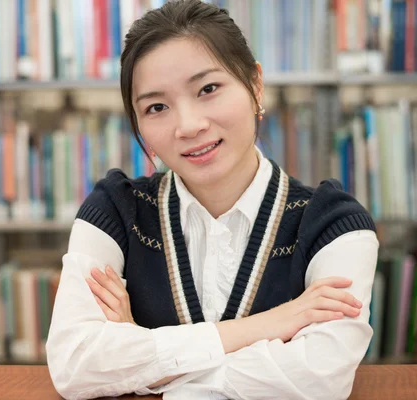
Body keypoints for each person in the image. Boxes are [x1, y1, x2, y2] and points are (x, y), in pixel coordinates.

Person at [46, 1, 379, 399]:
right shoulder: (115, 210)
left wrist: (141, 357)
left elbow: (321, 380)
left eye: (208, 89)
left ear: (255, 84)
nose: (188, 126)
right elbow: (73, 365)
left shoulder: (333, 223)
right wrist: (261, 327)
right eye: (156, 107)